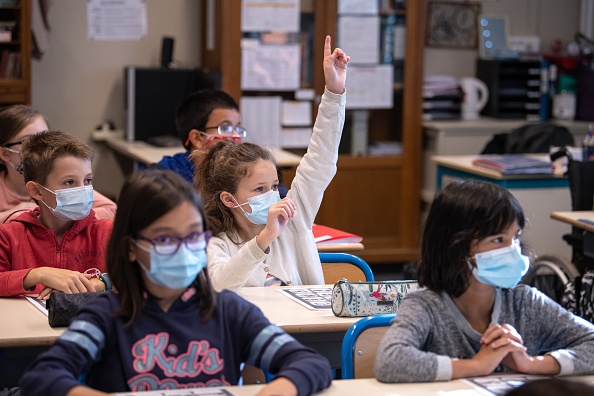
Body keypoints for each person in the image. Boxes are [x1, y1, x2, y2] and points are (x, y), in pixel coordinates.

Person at [19, 168, 333, 395]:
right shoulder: (105, 317)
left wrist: (275, 390)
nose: (184, 249)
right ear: (130, 248)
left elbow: (309, 363)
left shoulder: (228, 313)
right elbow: (42, 377)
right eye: (166, 239)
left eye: (194, 237)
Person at [374, 179, 594, 383]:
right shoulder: (425, 306)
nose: (513, 250)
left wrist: (533, 363)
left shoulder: (525, 303)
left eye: (515, 238)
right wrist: (477, 365)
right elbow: (390, 361)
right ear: (456, 247)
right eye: (498, 240)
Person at [193, 36, 349, 291]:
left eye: (274, 186)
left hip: (306, 329)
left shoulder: (294, 220)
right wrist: (264, 238)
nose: (273, 196)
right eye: (259, 189)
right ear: (229, 200)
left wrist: (333, 94)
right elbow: (221, 286)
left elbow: (320, 160)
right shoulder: (219, 244)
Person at [0, 131, 113, 298]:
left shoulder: (107, 232)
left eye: (87, 180)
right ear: (36, 191)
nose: (83, 190)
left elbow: (140, 276)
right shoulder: (9, 236)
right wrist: (38, 274)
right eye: (69, 182)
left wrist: (99, 283)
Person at [155, 88, 289, 197]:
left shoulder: (245, 169)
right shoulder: (166, 177)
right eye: (225, 128)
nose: (236, 136)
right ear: (197, 138)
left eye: (237, 128)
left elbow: (285, 199)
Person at [0, 104, 117, 222]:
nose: (41, 149)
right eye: (28, 141)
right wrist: (16, 213)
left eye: (46, 138)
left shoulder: (65, 183)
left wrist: (69, 215)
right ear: (4, 153)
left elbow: (113, 211)